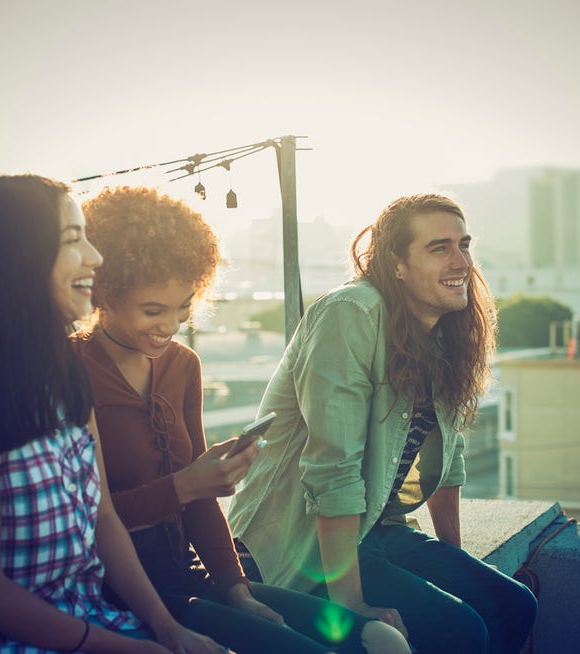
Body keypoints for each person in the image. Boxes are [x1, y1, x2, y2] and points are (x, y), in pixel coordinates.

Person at [0, 174, 223, 653]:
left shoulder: (60, 369)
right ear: (15, 257)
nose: (96, 257)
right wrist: (133, 648)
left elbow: (102, 517)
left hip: (88, 619)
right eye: (72, 239)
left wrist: (167, 629)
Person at [74, 186, 409, 654]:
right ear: (104, 293)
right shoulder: (68, 370)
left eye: (183, 307)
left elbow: (200, 503)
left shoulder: (183, 364)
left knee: (381, 640)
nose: (170, 325)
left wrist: (237, 591)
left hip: (188, 574)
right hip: (113, 592)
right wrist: (186, 485)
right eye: (153, 310)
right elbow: (87, 520)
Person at [227, 194, 538, 654]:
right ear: (396, 264)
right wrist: (352, 603)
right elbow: (333, 469)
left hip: (376, 528)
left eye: (464, 244)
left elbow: (450, 463)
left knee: (512, 605)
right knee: (459, 630)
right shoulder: (351, 314)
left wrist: (455, 559)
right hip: (302, 546)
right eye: (439, 248)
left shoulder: (447, 332)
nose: (461, 261)